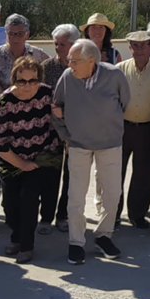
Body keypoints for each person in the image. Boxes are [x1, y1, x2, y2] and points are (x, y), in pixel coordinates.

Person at [52, 39, 130, 265]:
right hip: (78, 145)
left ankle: (104, 236)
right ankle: (76, 242)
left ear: (91, 61)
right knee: (76, 197)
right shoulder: (67, 77)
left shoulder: (114, 75)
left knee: (112, 194)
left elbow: (124, 103)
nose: (70, 64)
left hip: (110, 144)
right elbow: (56, 107)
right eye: (69, 60)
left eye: (74, 61)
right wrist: (66, 135)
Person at [0, 56, 62, 264]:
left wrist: (62, 114)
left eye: (33, 80)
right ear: (14, 80)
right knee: (10, 204)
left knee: (28, 200)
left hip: (41, 155)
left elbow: (62, 118)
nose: (28, 86)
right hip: (11, 157)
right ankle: (17, 237)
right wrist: (20, 164)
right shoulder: (5, 101)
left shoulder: (47, 94)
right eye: (22, 81)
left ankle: (26, 246)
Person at [0, 13, 49, 224]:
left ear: (27, 34)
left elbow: (45, 89)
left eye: (19, 33)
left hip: (32, 124)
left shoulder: (40, 56)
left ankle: (27, 221)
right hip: (2, 120)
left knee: (30, 179)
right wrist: (6, 104)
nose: (15, 37)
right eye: (11, 33)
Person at [115, 31, 150, 230]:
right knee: (114, 174)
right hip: (122, 128)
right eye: (134, 46)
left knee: (143, 175)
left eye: (143, 45)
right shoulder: (119, 70)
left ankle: (137, 215)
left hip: (148, 128)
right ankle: (114, 213)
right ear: (129, 48)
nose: (139, 49)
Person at [42, 24, 79, 233]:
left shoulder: (83, 66)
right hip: (50, 131)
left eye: (62, 44)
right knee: (50, 175)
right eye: (56, 44)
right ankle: (45, 218)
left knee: (71, 176)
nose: (58, 48)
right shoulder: (47, 67)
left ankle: (63, 216)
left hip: (76, 131)